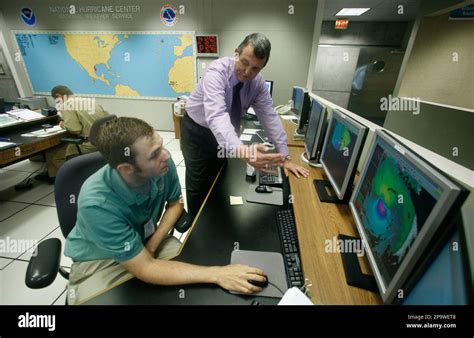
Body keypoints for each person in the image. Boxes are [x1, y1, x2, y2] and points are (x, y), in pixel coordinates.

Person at [64, 117, 267, 305]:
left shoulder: (162, 164)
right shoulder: (97, 202)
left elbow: (176, 204)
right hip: (101, 260)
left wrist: (152, 244)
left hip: (147, 243)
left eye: (161, 146)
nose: (166, 156)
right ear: (126, 169)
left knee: (198, 282)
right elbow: (144, 268)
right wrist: (217, 274)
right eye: (154, 154)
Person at [182, 33, 310, 219]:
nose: (247, 72)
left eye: (255, 68)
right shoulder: (216, 73)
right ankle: (194, 230)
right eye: (244, 62)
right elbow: (217, 116)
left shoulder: (257, 84)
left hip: (225, 133)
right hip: (197, 131)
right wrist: (244, 152)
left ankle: (217, 222)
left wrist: (285, 157)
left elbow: (270, 117)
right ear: (236, 53)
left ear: (262, 67)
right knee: (198, 181)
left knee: (220, 175)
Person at [36, 85, 109, 183]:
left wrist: (63, 124)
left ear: (59, 96)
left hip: (87, 144)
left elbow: (75, 130)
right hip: (103, 140)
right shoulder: (89, 101)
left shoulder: (66, 105)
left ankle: (59, 178)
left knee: (54, 150)